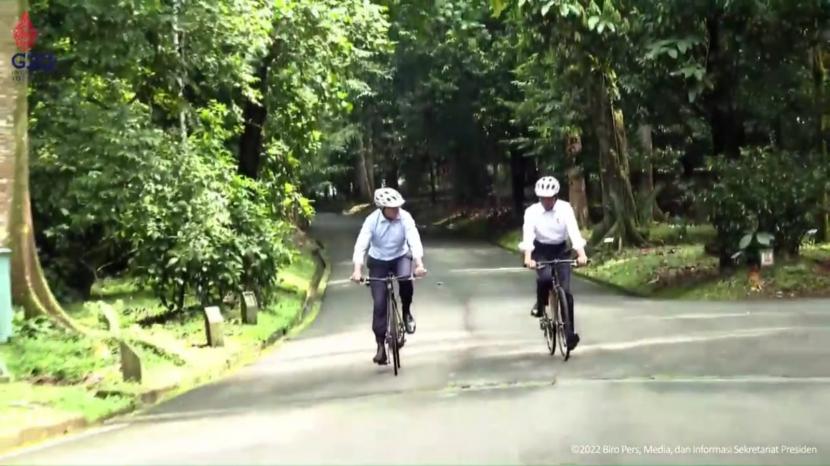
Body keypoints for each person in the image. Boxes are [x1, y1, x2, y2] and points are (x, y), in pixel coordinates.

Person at [351, 187, 428, 365]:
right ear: (382, 209)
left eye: (398, 207)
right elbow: (361, 245)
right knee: (379, 303)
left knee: (406, 280)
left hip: (400, 256)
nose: (396, 211)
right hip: (378, 261)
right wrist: (357, 270)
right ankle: (380, 346)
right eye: (392, 208)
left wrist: (419, 264)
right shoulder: (371, 221)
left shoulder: (405, 217)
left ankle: (406, 312)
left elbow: (414, 239)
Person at [519, 176, 589, 351]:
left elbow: (573, 232)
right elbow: (528, 236)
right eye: (543, 198)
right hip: (541, 250)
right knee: (544, 279)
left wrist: (581, 254)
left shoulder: (565, 209)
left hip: (560, 249)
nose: (547, 201)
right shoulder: (532, 212)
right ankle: (541, 305)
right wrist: (528, 258)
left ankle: (569, 334)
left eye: (550, 198)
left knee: (566, 292)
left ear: (556, 196)